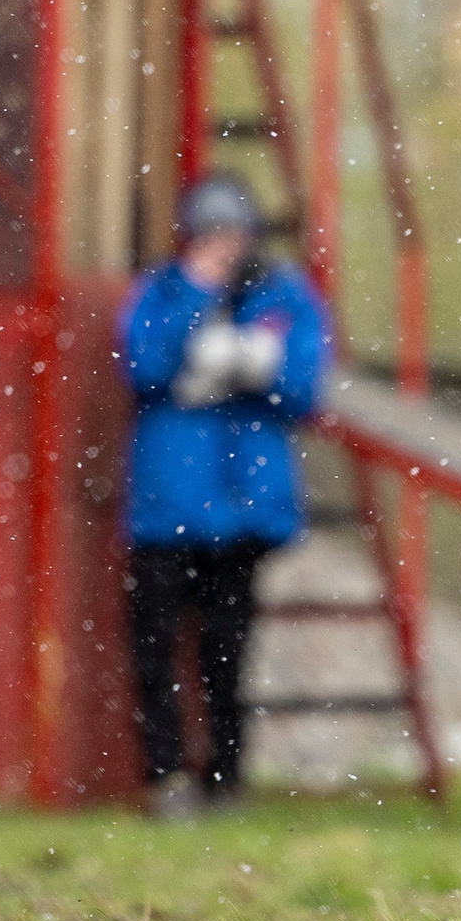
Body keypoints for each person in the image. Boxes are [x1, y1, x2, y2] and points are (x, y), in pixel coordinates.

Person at [116, 174, 330, 818]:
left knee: (226, 651)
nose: (224, 250)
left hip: (241, 508)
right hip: (165, 507)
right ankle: (167, 778)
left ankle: (225, 779)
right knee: (153, 646)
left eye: (233, 236)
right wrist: (197, 307)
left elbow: (301, 386)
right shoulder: (162, 291)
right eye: (210, 238)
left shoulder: (282, 293)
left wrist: (245, 365)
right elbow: (144, 368)